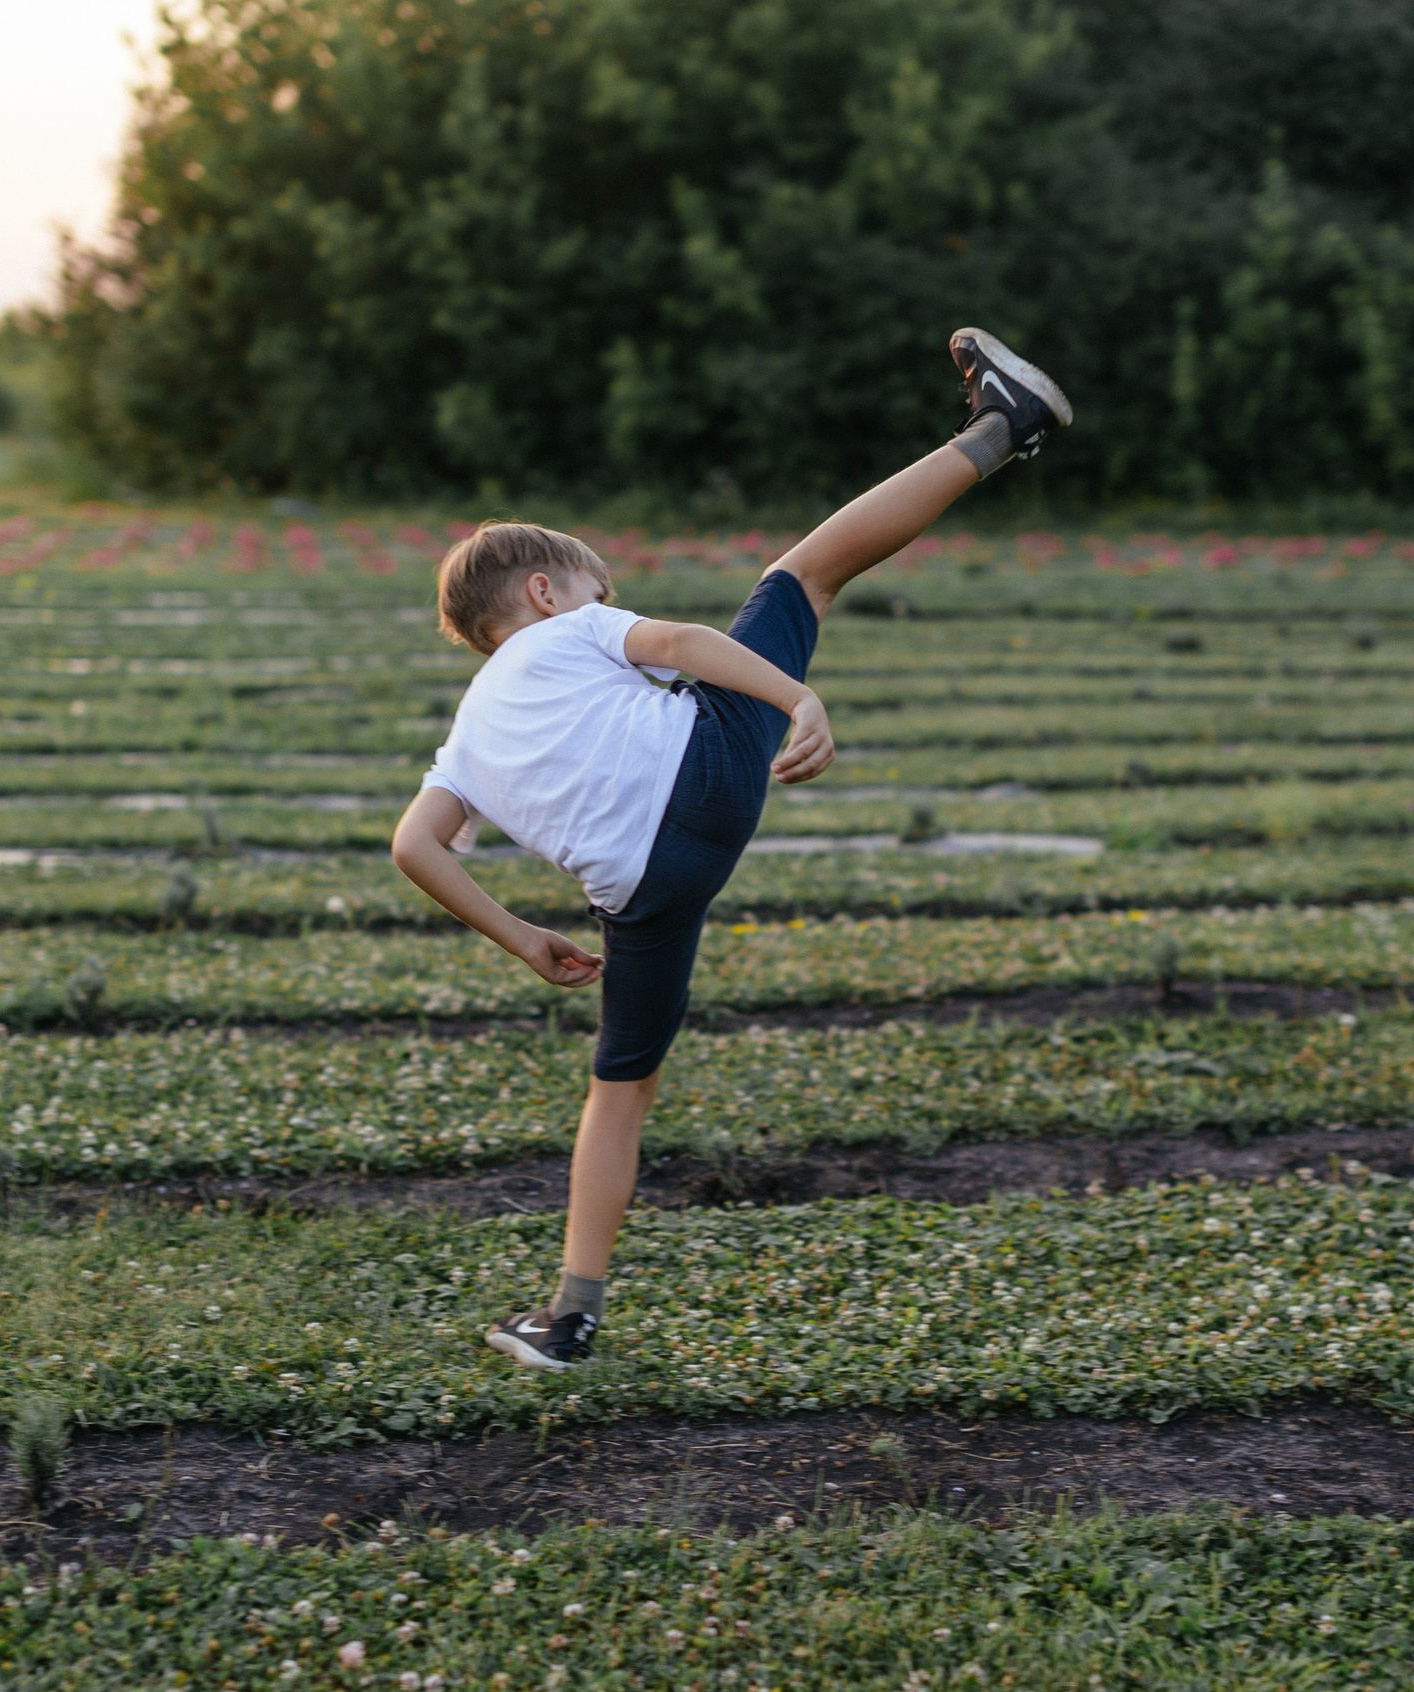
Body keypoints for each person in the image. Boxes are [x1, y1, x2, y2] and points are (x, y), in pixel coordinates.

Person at [389, 328, 1073, 1370]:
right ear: (543, 593)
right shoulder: (569, 631)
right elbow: (678, 645)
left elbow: (415, 845)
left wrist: (523, 937)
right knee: (802, 574)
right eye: (595, 587)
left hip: (642, 893)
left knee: (619, 1088)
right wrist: (796, 698)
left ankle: (569, 1317)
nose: (604, 602)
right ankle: (1000, 427)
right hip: (704, 776)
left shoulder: (467, 737)